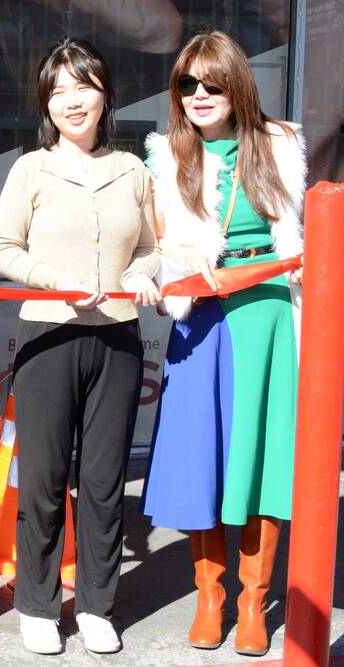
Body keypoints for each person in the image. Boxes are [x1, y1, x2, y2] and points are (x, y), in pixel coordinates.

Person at [0, 38, 160, 655]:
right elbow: (0, 249)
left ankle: (96, 606)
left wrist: (141, 273)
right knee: (43, 477)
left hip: (117, 337)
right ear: (46, 104)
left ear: (105, 94)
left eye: (82, 86)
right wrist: (55, 282)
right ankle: (38, 605)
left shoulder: (133, 170)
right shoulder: (30, 169)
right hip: (48, 336)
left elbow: (152, 247)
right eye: (58, 90)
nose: (71, 100)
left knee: (105, 481)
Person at [141, 31, 305, 658]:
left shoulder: (280, 144)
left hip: (267, 314)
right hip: (202, 314)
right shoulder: (166, 156)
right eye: (188, 84)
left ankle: (253, 600)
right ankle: (209, 598)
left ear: (237, 85)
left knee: (262, 462)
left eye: (212, 83)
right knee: (200, 458)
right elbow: (155, 244)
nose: (200, 95)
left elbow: (300, 237)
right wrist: (174, 263)